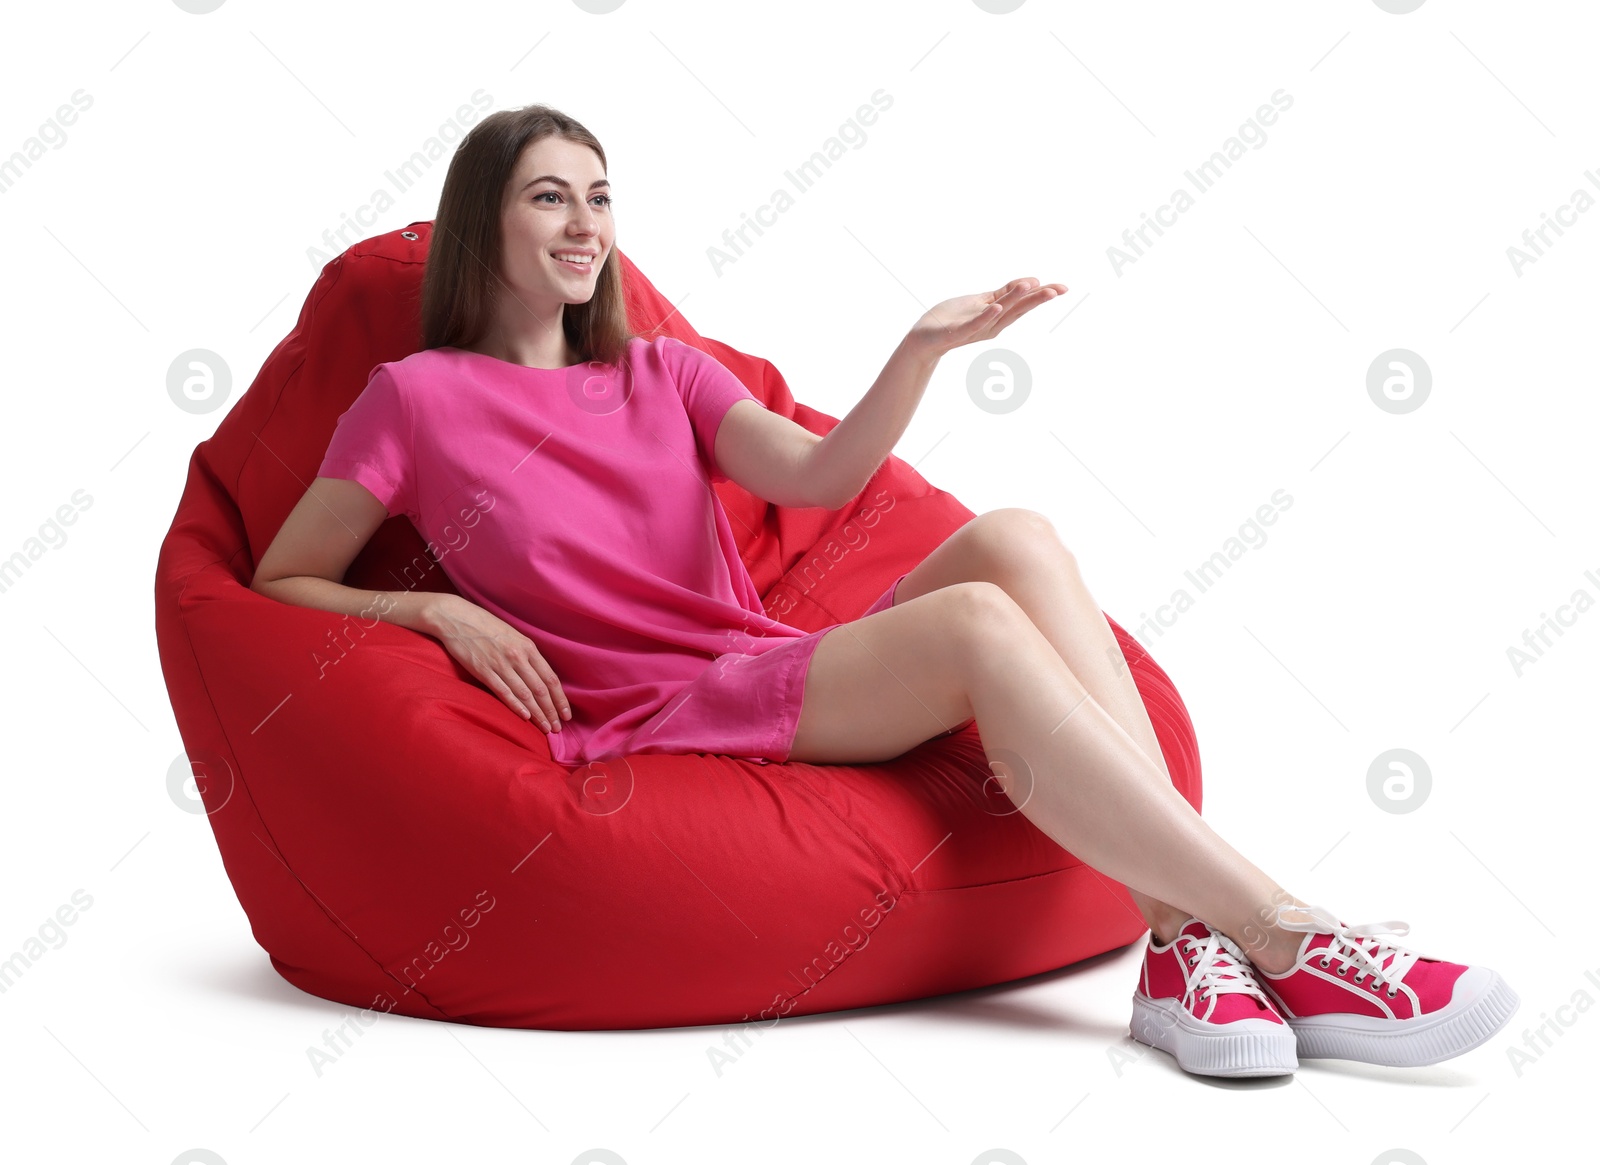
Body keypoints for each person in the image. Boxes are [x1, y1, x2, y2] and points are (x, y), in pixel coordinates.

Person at [250, 103, 1518, 1079]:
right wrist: (432, 610)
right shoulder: (413, 402)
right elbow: (280, 575)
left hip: (754, 654)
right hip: (663, 706)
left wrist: (922, 348)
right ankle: (1292, 935)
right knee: (973, 622)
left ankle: (1185, 950)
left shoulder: (661, 372)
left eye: (598, 197)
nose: (586, 223)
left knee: (1014, 537)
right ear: (488, 224)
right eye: (548, 198)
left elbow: (820, 472)